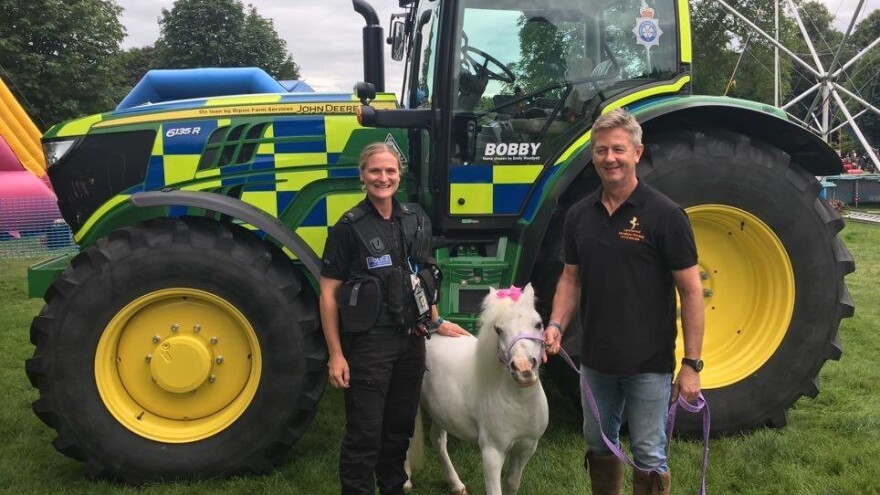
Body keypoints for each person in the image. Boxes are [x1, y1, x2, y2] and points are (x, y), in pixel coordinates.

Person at [543, 109, 704, 495]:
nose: (609, 158)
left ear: (637, 152)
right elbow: (570, 278)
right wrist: (555, 324)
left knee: (649, 456)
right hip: (595, 361)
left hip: (649, 363)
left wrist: (692, 365)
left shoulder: (665, 215)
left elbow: (692, 291)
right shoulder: (579, 215)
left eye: (618, 149)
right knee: (599, 445)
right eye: (601, 150)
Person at [319, 142, 469, 495]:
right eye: (375, 171)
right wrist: (336, 354)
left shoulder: (416, 220)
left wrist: (435, 322)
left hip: (411, 342)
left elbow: (424, 277)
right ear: (362, 175)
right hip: (369, 344)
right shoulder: (348, 228)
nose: (382, 178)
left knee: (399, 431)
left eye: (390, 171)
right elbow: (328, 294)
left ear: (399, 176)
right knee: (364, 436)